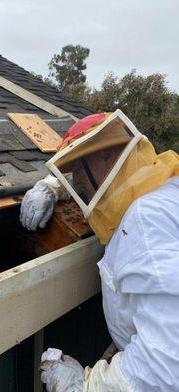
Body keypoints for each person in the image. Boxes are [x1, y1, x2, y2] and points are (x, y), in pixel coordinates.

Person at [20, 111, 179, 391]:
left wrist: (83, 386)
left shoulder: (145, 222)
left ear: (107, 156)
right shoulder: (161, 189)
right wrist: (52, 186)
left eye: (78, 169)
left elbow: (165, 364)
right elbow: (102, 184)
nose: (76, 180)